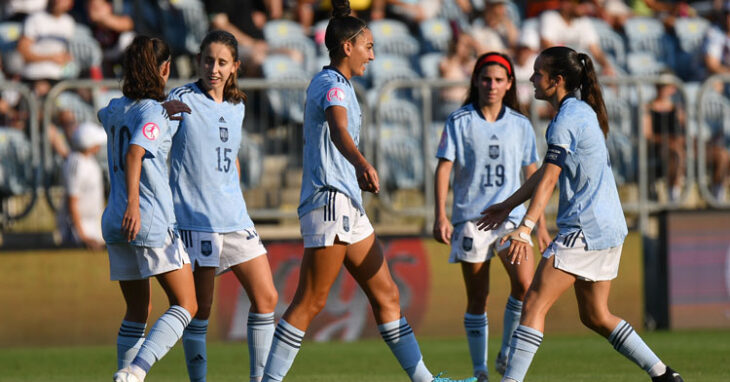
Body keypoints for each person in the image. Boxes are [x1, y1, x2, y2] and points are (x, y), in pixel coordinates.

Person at [260, 1, 476, 381]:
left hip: (349, 205)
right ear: (347, 47)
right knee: (310, 301)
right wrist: (362, 163)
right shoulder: (330, 85)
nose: (373, 56)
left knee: (388, 295)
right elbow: (339, 129)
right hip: (330, 200)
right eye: (368, 47)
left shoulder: (339, 84)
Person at [477, 46, 684, 382]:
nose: (531, 79)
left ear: (557, 81)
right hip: (609, 228)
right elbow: (546, 172)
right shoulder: (580, 111)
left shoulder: (566, 120)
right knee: (596, 315)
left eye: (539, 73)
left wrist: (526, 226)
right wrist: (508, 205)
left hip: (584, 230)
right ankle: (663, 374)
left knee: (533, 305)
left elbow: (552, 178)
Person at [167, 30, 278, 382]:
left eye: (221, 62)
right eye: (207, 60)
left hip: (235, 218)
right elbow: (151, 147)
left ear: (235, 67)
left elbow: (231, 160)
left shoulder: (237, 106)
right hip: (196, 220)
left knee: (267, 298)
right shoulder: (181, 99)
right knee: (200, 311)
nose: (213, 68)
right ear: (199, 60)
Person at [433, 52, 551, 382]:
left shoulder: (520, 124)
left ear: (510, 83)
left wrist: (539, 223)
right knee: (478, 297)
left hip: (511, 220)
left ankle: (508, 352)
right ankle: (481, 371)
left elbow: (532, 173)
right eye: (486, 79)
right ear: (476, 81)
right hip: (471, 219)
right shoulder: (460, 121)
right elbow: (444, 168)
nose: (492, 85)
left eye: (499, 79)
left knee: (525, 285)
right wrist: (440, 214)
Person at [98, 35, 196, 382]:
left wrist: (160, 111)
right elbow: (134, 152)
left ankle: (126, 376)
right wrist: (136, 206)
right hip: (146, 217)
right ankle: (136, 372)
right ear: (165, 68)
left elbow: (109, 116)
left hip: (113, 220)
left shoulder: (113, 108)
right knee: (187, 304)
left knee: (138, 311)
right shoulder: (153, 111)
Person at [57, 121, 106, 250]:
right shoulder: (76, 163)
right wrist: (82, 236)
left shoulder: (89, 161)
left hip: (93, 225)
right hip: (79, 229)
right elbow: (72, 201)